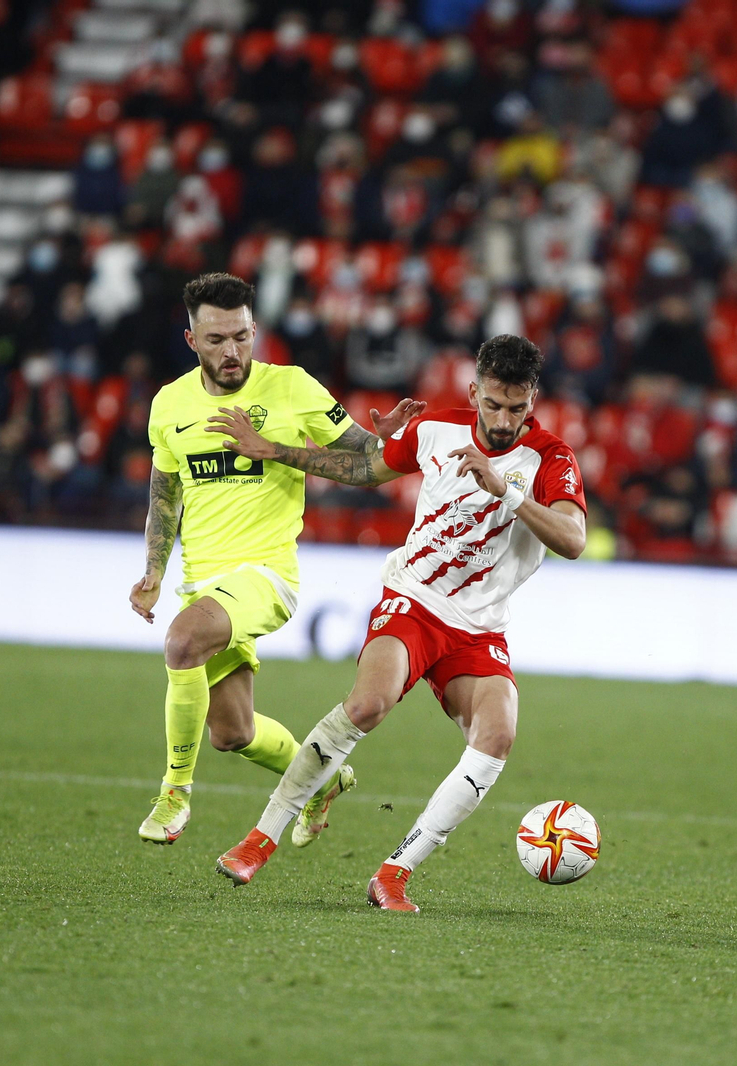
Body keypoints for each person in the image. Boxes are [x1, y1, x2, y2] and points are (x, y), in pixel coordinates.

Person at [203, 334, 587, 911]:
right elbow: (364, 469)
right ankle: (260, 840)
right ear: (474, 390)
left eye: (517, 407)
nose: (503, 419)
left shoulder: (550, 460)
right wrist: (275, 449)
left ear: (533, 399)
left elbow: (573, 540)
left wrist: (505, 491)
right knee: (367, 705)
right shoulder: (436, 428)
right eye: (493, 404)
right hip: (413, 599)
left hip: (480, 628)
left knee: (498, 735)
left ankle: (394, 874)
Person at [128, 272, 424, 848]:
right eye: (216, 340)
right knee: (232, 733)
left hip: (267, 576)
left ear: (255, 330)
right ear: (192, 341)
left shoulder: (290, 388)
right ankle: (323, 780)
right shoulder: (169, 404)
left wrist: (385, 441)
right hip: (202, 582)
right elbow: (166, 493)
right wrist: (155, 572)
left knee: (182, 641)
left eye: (241, 336)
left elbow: (369, 462)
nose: (232, 350)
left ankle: (174, 794)